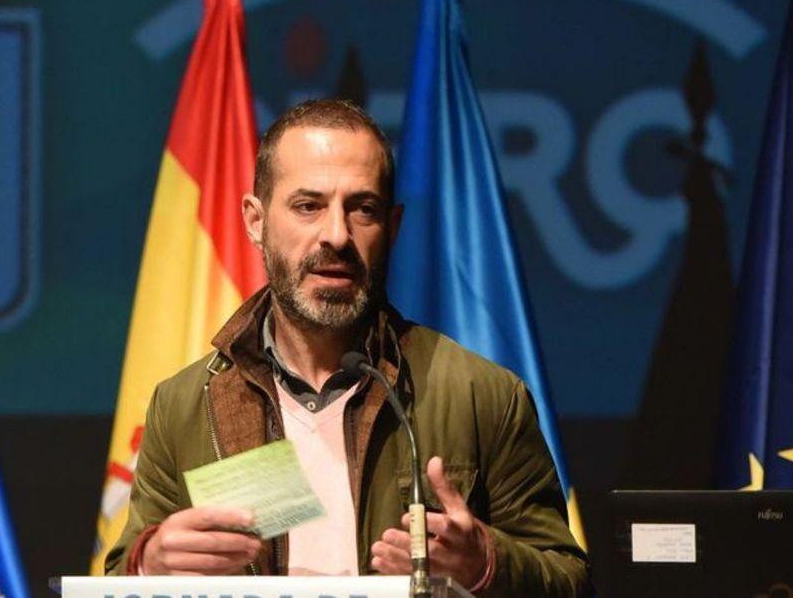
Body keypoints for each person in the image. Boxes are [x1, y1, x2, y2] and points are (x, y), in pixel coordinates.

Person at [105, 99, 593, 597]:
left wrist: (486, 564)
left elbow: (569, 579)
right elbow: (119, 575)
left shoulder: (482, 394)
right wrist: (150, 564)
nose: (337, 235)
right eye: (308, 206)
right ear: (255, 221)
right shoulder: (185, 405)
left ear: (393, 227)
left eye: (363, 209)